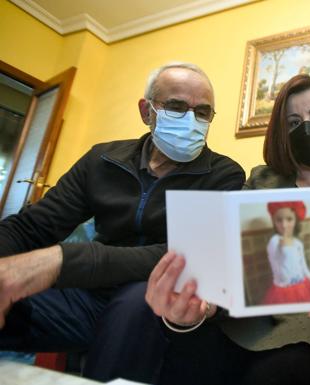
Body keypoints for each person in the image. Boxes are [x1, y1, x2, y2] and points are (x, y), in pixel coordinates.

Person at [145, 74, 310, 385]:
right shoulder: (262, 180)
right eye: (292, 122)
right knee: (187, 353)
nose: (305, 127)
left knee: (287, 368)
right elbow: (233, 257)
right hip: (252, 319)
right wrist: (203, 304)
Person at [0, 62, 245, 380]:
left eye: (202, 112)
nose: (191, 120)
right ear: (147, 111)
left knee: (136, 304)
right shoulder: (102, 160)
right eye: (176, 106)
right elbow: (31, 227)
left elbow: (183, 256)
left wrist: (64, 260)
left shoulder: (224, 175)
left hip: (152, 301)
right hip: (85, 297)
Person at [263, 201, 310, 305]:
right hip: (283, 290)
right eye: (279, 220)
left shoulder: (297, 244)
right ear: (274, 221)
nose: (284, 225)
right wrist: (282, 247)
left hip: (303, 285)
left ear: (296, 221)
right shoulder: (274, 241)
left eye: (289, 219)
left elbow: (304, 268)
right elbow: (276, 264)